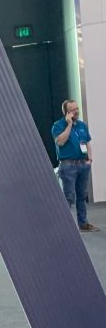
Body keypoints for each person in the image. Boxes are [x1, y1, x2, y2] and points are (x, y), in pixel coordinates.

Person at [52, 99, 99, 232]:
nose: (76, 111)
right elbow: (60, 142)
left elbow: (87, 142)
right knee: (68, 197)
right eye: (73, 110)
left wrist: (90, 159)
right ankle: (62, 226)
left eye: (77, 109)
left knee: (82, 195)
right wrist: (69, 125)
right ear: (66, 112)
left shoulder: (82, 125)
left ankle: (83, 224)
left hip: (83, 165)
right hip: (68, 166)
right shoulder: (58, 125)